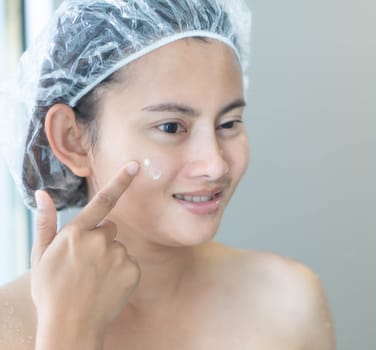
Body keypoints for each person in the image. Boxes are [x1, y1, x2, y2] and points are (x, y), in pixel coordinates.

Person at [0, 1, 335, 349]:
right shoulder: (9, 329)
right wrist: (69, 332)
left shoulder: (289, 302)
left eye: (229, 123)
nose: (215, 164)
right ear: (73, 139)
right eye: (172, 127)